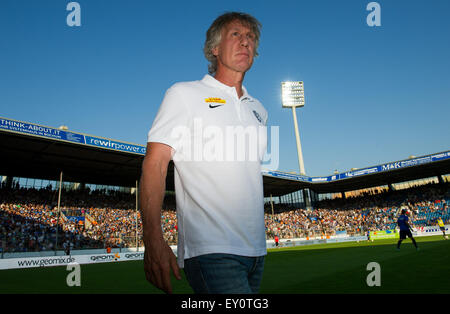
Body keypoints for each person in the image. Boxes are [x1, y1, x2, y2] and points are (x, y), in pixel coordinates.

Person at [140, 12, 267, 294]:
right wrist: (152, 238)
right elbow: (156, 164)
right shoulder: (183, 94)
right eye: (235, 34)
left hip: (257, 252)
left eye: (250, 37)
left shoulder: (258, 108)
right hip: (212, 250)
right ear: (214, 48)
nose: (245, 42)